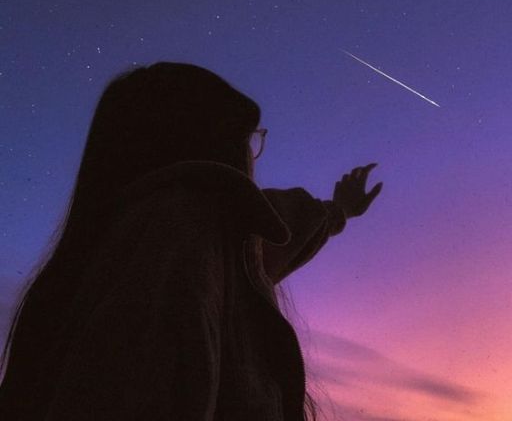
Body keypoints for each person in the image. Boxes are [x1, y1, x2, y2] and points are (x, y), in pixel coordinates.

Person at [0, 63, 382, 420]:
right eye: (249, 138)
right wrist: (336, 213)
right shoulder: (182, 233)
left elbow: (278, 228)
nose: (253, 154)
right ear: (214, 140)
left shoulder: (183, 235)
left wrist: (338, 211)